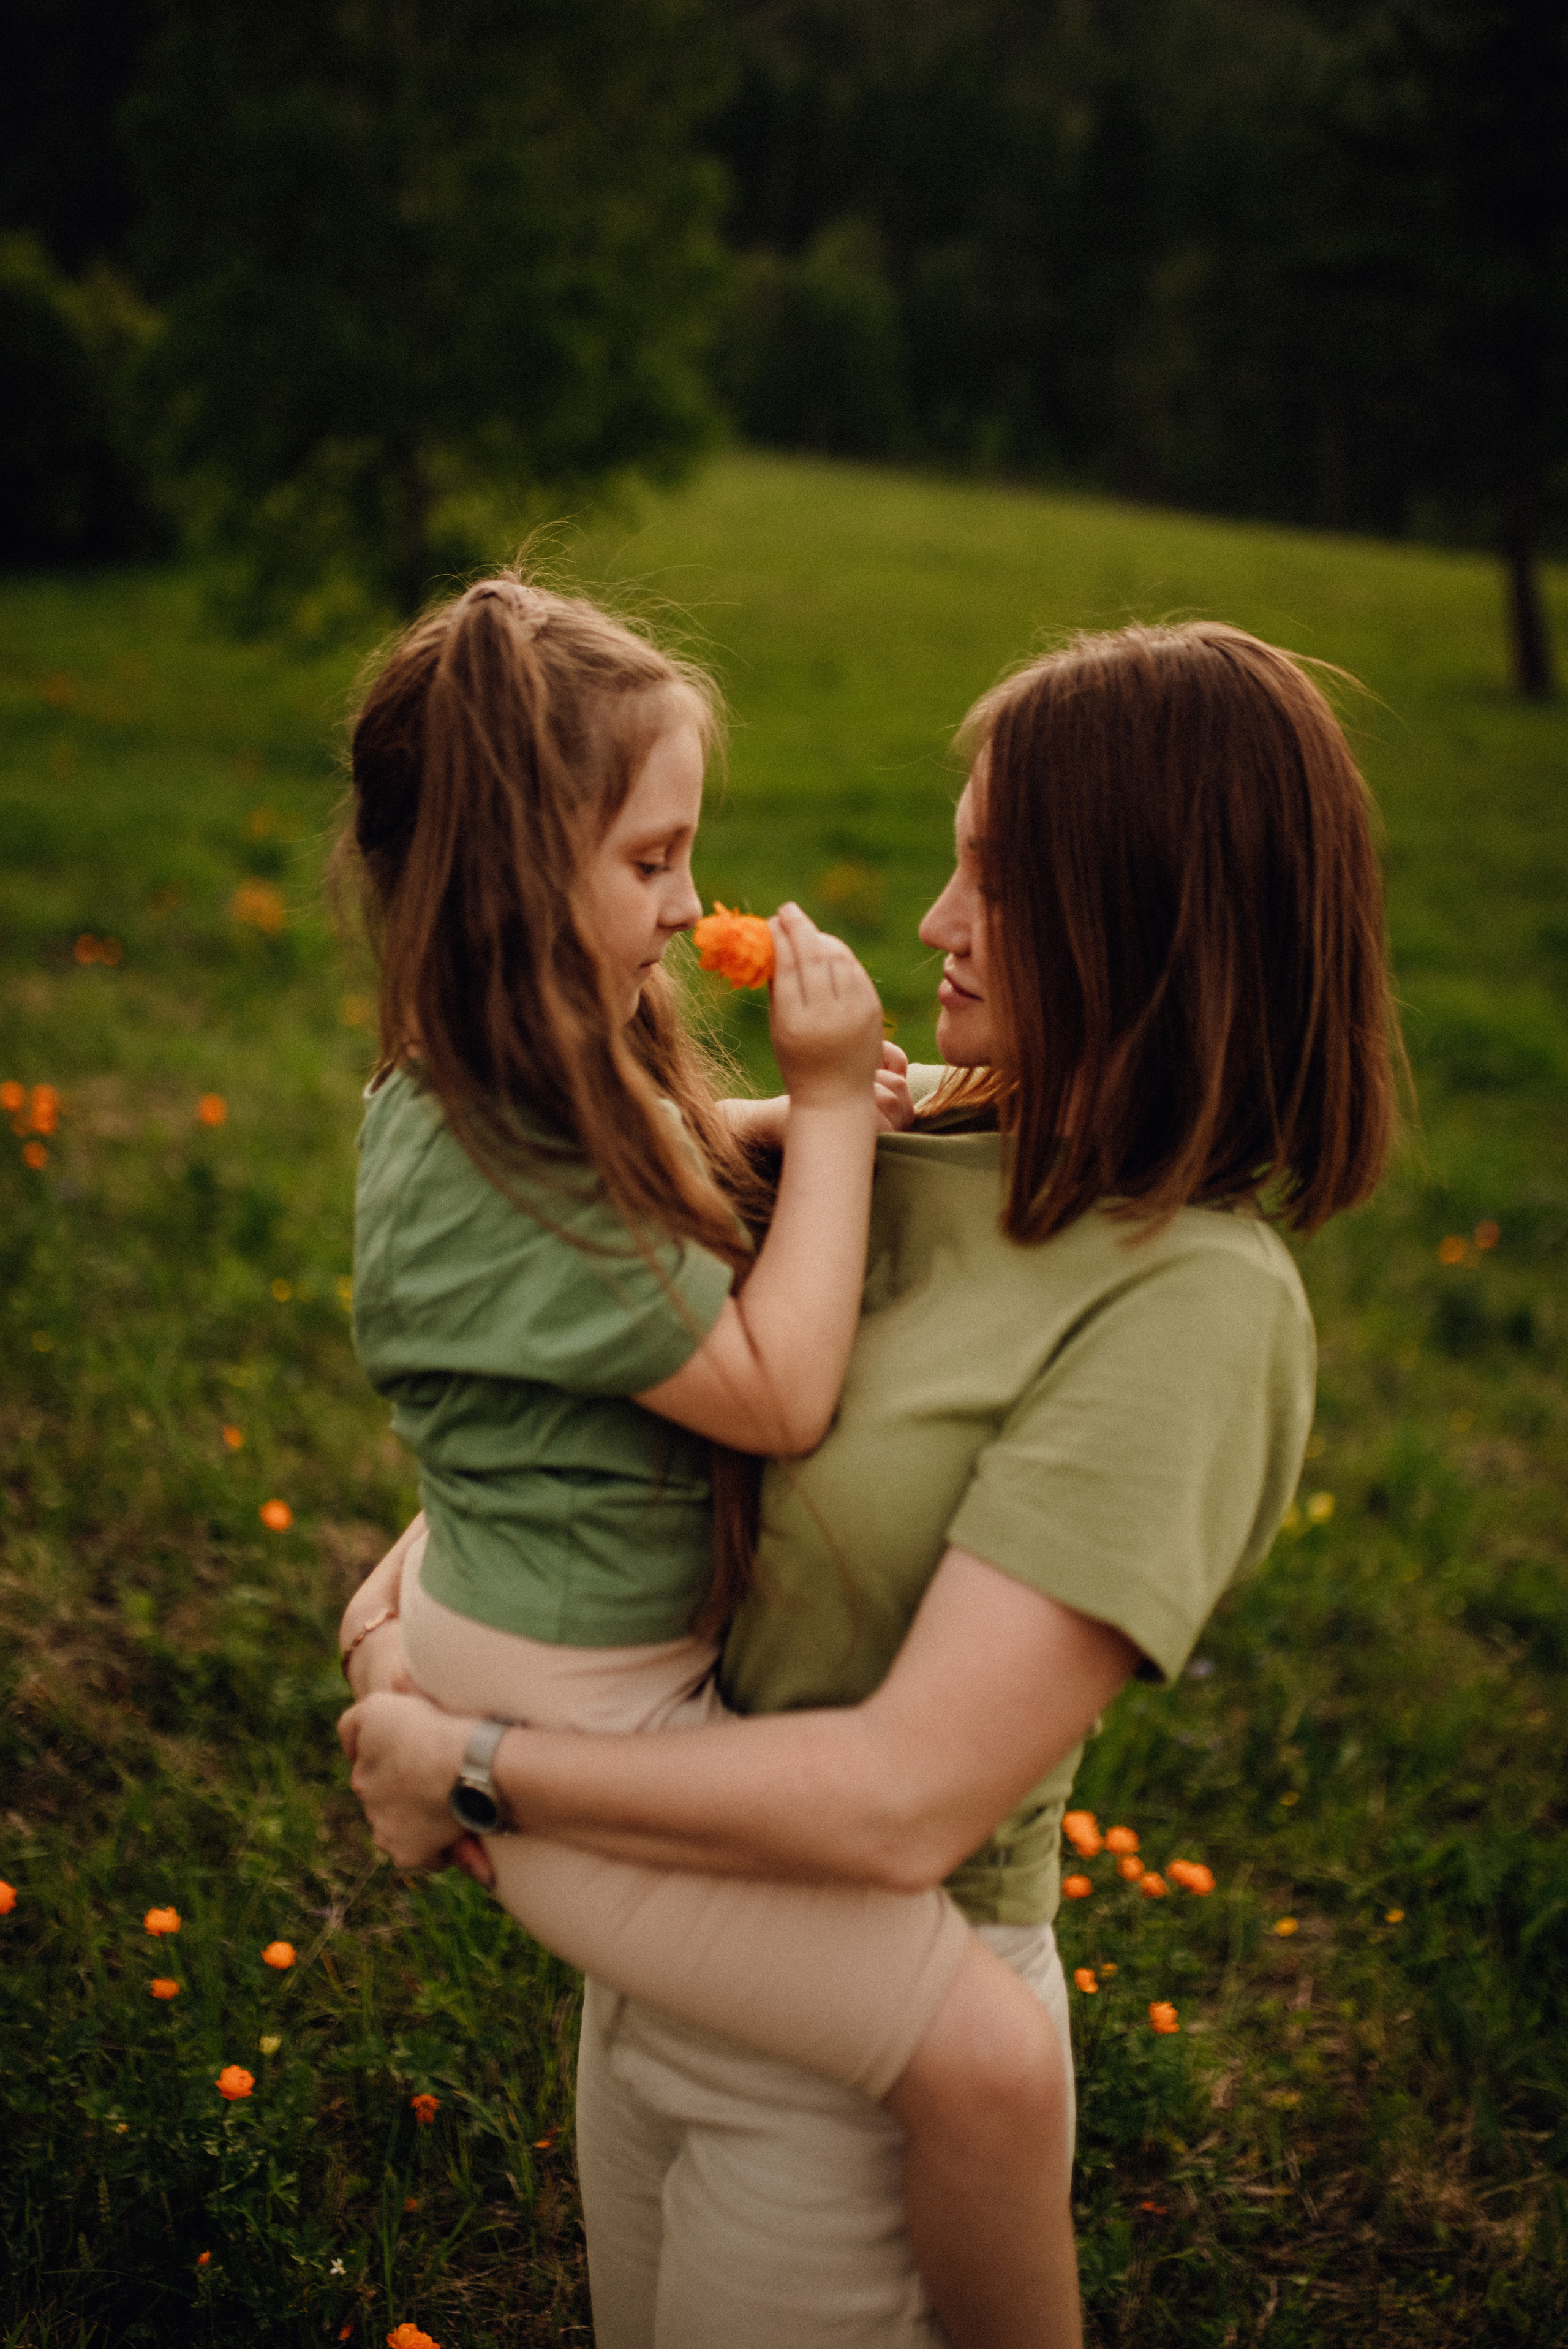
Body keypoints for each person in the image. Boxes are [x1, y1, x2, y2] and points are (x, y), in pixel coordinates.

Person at [342, 616, 1403, 2349]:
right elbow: (569, 1393)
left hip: (859, 2064)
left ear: (1144, 910)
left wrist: (472, 1763)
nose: (931, 923)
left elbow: (905, 1795)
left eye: (995, 876)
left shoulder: (1193, 1305)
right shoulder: (909, 1138)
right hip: (657, 1961)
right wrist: (407, 1615)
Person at [332, 572, 1089, 2349]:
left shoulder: (476, 1095)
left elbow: (662, 1148)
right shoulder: (511, 1164)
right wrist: (827, 1110)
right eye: (652, 862)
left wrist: (776, 1122)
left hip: (541, 1646)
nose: (689, 907)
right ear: (520, 873)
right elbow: (777, 1393)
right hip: (586, 1711)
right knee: (979, 2048)